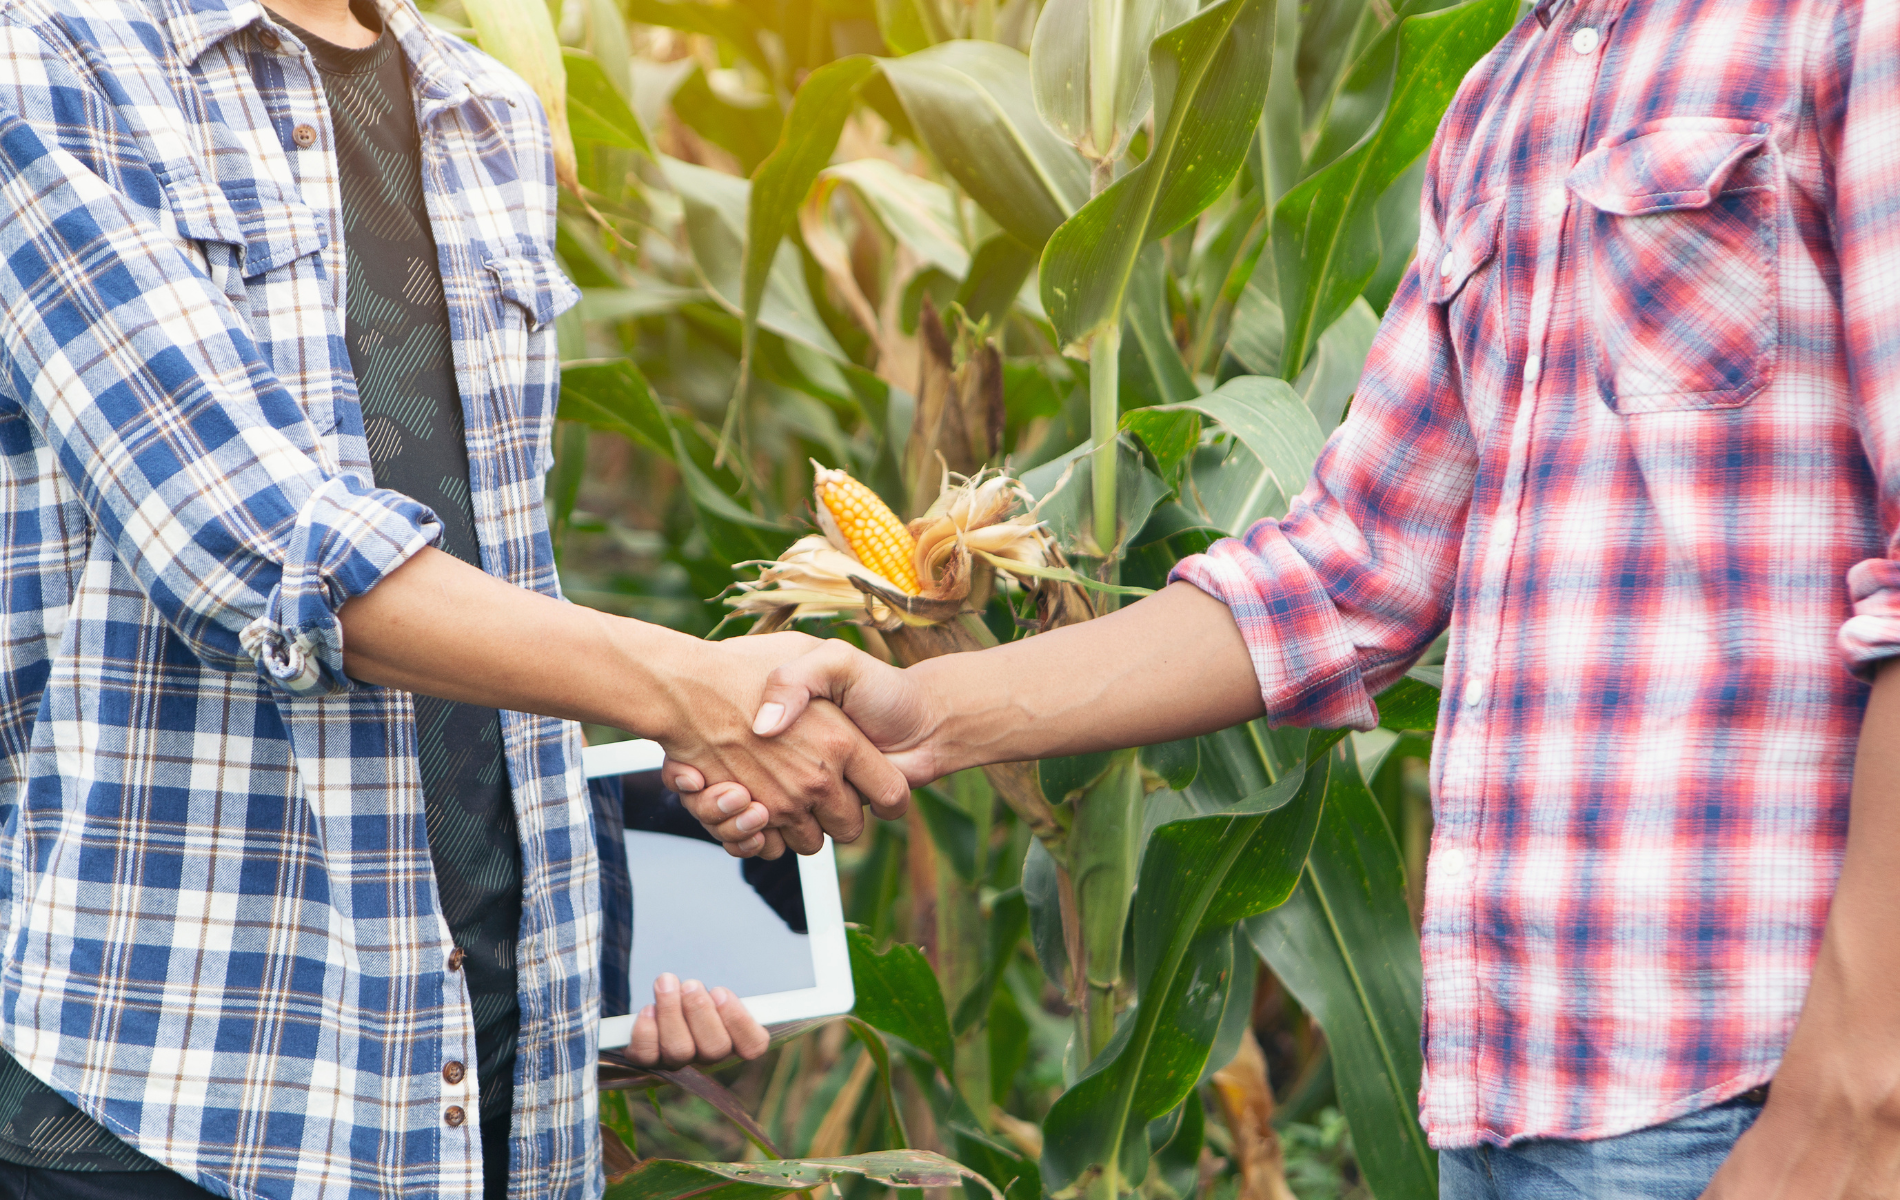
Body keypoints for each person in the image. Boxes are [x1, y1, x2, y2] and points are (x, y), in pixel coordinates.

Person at [671, 0, 1900, 1195]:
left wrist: (1855, 1092)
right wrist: (918, 705)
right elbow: (1354, 562)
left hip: (1761, 1096)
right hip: (1511, 1101)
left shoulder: (1841, 29)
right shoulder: (1501, 102)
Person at [0, 0, 911, 1196]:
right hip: (180, 1086)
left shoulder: (485, 109)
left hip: (488, 1073)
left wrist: (587, 971)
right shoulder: (51, 61)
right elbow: (247, 538)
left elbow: (492, 583)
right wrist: (693, 691)